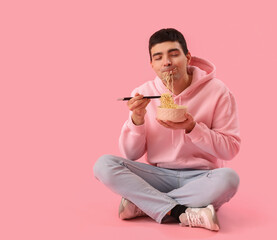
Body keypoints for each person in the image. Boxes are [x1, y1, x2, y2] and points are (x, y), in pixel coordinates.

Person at [93, 28, 241, 231]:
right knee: (104, 165)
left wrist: (192, 128)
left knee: (229, 179)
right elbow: (130, 154)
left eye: (174, 54)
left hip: (201, 177)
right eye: (159, 57)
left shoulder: (218, 91)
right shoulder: (143, 93)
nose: (167, 62)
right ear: (152, 64)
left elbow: (230, 150)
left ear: (188, 57)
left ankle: (145, 204)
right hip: (158, 175)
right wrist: (137, 119)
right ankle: (182, 212)